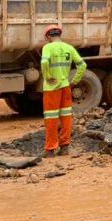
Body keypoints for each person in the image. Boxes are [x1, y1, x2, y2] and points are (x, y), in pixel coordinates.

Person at [40, 24, 86, 157]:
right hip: (66, 87)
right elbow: (82, 65)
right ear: (59, 34)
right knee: (66, 117)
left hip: (51, 88)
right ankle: (65, 147)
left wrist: (48, 77)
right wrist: (75, 80)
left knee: (51, 118)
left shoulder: (48, 47)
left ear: (48, 36)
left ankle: (50, 149)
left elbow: (44, 63)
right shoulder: (69, 48)